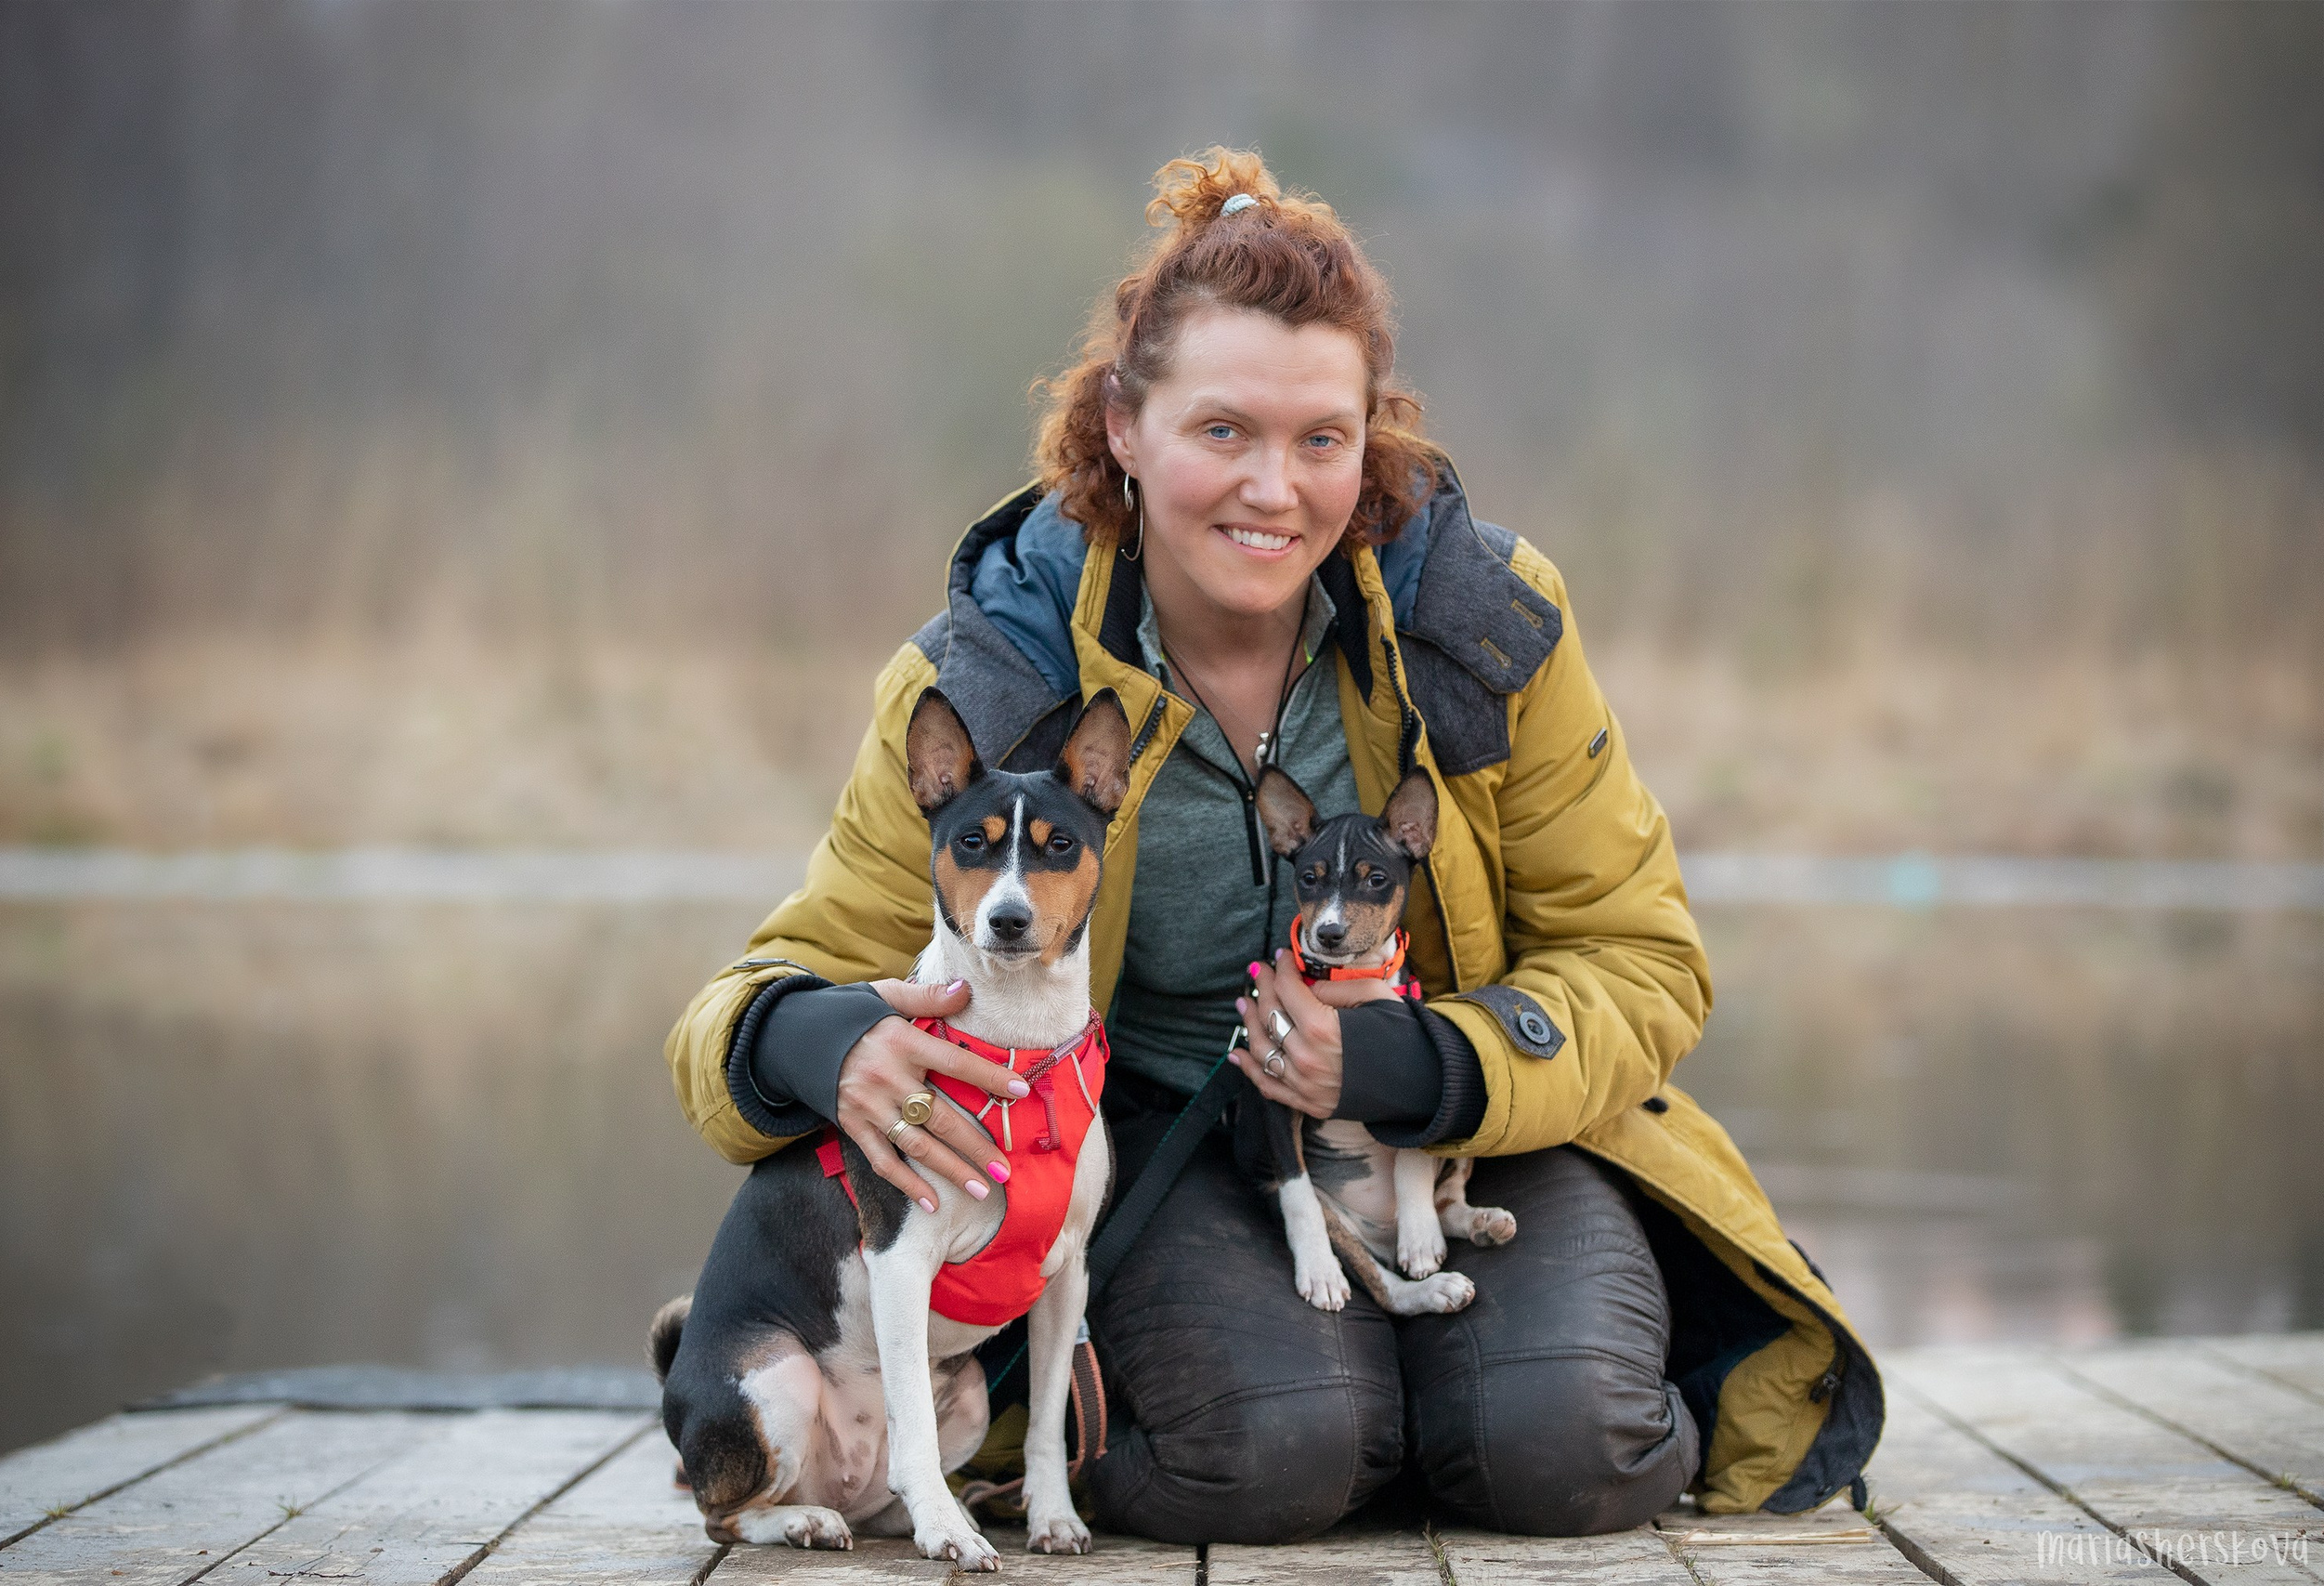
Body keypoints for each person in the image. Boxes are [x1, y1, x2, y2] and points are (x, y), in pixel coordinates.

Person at [664, 149, 1879, 1540]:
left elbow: (1644, 958)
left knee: (1571, 1447)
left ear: (1374, 439)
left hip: (1475, 1133)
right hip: (1169, 1151)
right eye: (1222, 431)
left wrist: (1427, 1061)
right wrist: (817, 1044)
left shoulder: (1485, 628)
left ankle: (1463, 1397)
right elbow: (759, 999)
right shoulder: (992, 672)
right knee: (1270, 1458)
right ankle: (1288, 1408)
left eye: (1322, 438)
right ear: (1123, 424)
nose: (1275, 489)